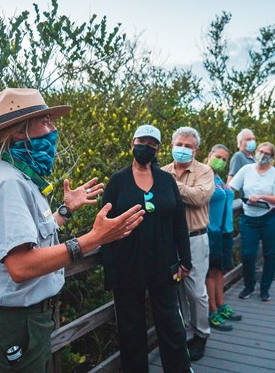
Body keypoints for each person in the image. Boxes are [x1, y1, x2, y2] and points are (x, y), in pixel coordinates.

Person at [0, 88, 144, 373]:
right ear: (19, 132)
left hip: (25, 321)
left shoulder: (18, 177)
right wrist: (92, 240)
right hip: (15, 325)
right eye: (46, 121)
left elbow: (30, 240)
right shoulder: (8, 184)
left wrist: (64, 211)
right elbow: (21, 266)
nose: (53, 129)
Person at [101, 124, 193, 373]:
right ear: (132, 143)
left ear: (158, 149)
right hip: (127, 267)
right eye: (142, 142)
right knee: (131, 330)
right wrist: (110, 272)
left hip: (163, 266)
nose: (146, 147)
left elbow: (178, 222)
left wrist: (185, 259)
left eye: (152, 144)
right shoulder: (118, 181)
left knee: (171, 324)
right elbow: (103, 227)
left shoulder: (166, 181)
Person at [162, 127, 215, 361]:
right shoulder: (161, 171)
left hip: (195, 238)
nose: (182, 149)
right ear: (171, 145)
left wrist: (171, 184)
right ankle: (185, 334)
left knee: (195, 292)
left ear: (196, 150)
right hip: (169, 240)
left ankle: (201, 334)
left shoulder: (205, 171)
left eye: (188, 146)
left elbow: (200, 197)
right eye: (179, 145)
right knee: (177, 292)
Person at [228, 142, 275, 302]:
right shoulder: (246, 170)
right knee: (247, 253)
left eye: (267, 154)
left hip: (271, 217)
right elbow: (231, 187)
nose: (263, 155)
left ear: (272, 157)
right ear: (256, 153)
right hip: (249, 217)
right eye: (261, 151)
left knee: (270, 253)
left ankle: (265, 289)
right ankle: (249, 286)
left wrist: (261, 197)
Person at [204, 144, 242, 332]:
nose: (221, 161)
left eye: (225, 159)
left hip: (224, 229)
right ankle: (212, 312)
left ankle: (221, 304)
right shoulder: (202, 175)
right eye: (218, 156)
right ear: (209, 155)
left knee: (220, 270)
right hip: (211, 230)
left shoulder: (217, 178)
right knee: (211, 272)